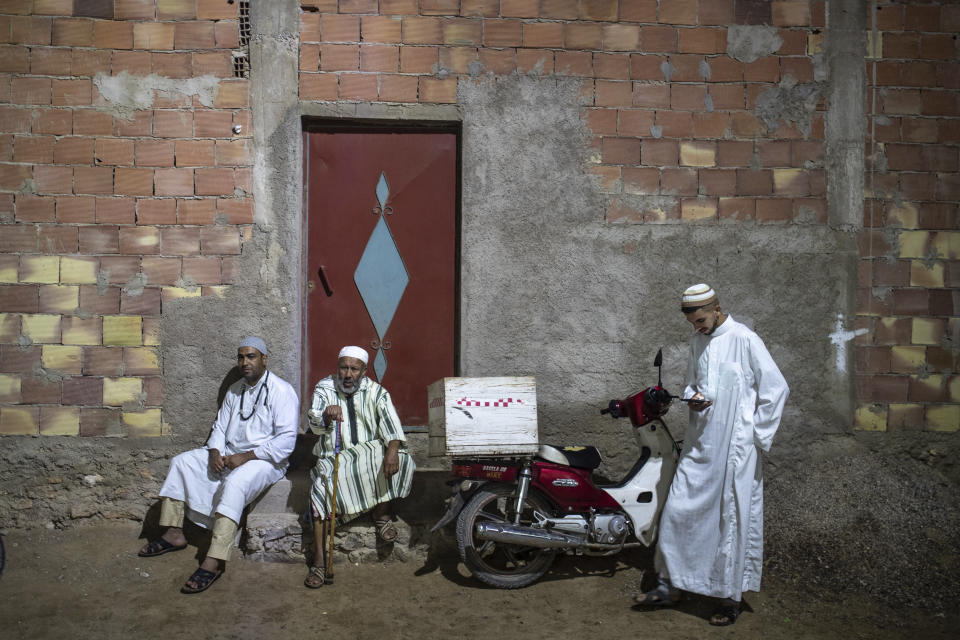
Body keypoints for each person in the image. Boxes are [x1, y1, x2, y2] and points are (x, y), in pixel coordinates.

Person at [634, 284, 789, 626]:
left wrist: (754, 437)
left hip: (735, 451)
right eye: (692, 323)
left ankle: (729, 598)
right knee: (677, 511)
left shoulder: (745, 339)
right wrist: (695, 396)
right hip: (701, 442)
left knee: (729, 520)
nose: (697, 327)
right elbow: (694, 382)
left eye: (701, 319)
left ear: (717, 308)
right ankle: (669, 585)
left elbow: (776, 389)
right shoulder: (698, 342)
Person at [137, 337, 298, 594]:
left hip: (265, 460)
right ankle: (173, 533)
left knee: (235, 483)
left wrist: (245, 457)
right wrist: (214, 451)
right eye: (241, 357)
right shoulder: (235, 389)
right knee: (182, 462)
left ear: (264, 359)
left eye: (251, 356)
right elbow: (220, 427)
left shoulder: (282, 391)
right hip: (229, 452)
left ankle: (215, 559)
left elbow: (286, 442)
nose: (245, 362)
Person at [303, 346, 415, 588]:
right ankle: (320, 562)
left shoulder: (376, 391)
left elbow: (391, 424)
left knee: (398, 456)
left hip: (366, 458)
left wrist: (393, 450)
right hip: (335, 460)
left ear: (364, 371)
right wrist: (325, 415)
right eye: (344, 367)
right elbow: (313, 422)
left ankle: (381, 513)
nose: (348, 374)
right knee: (319, 495)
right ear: (338, 368)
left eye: (354, 369)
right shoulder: (325, 387)